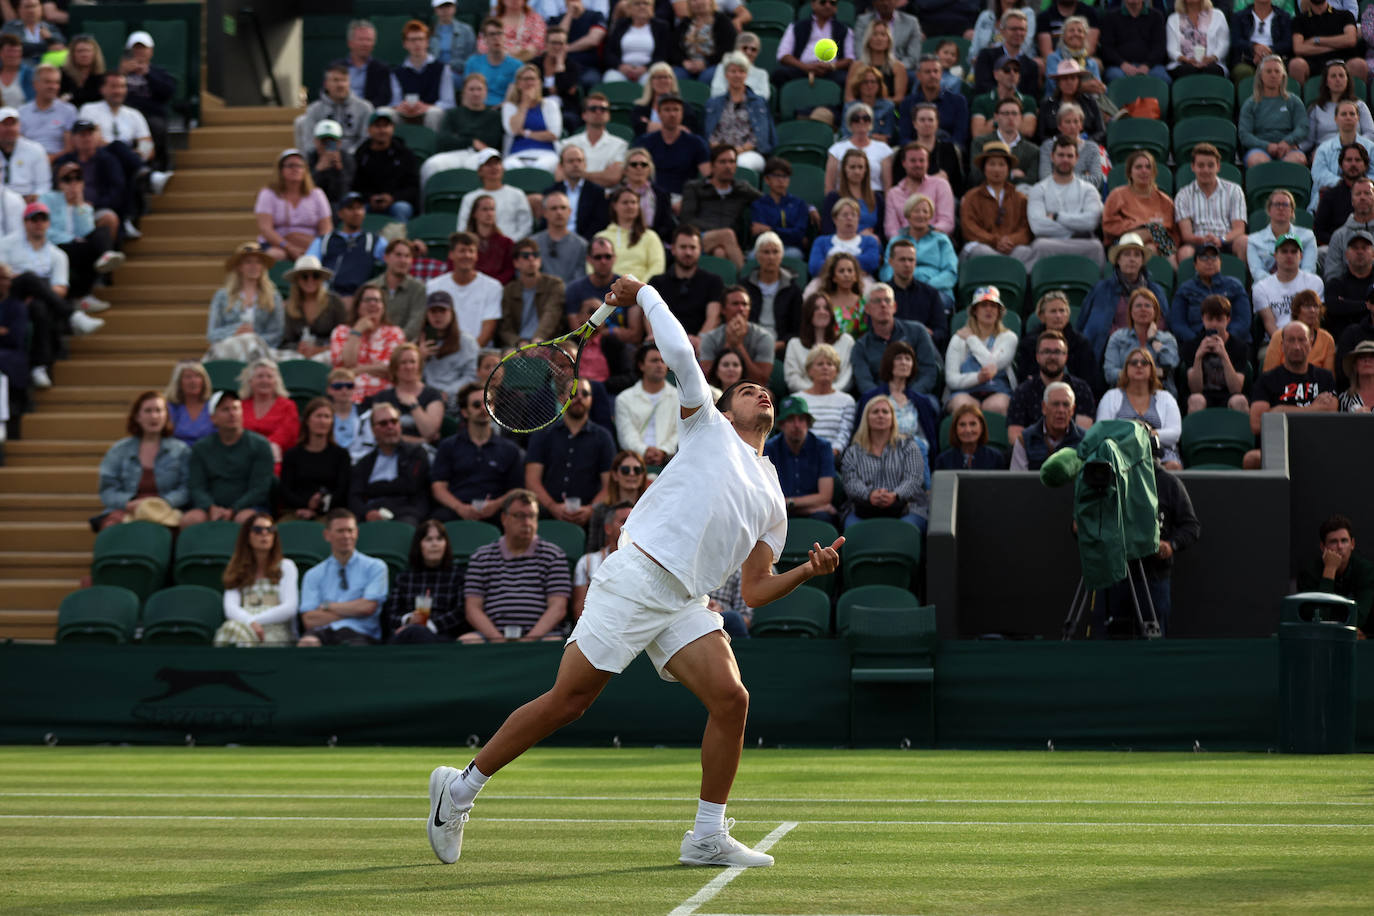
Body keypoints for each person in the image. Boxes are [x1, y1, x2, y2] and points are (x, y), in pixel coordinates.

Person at [425, 273, 841, 869]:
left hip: (687, 601)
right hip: (638, 576)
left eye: (764, 390)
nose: (760, 393)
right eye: (747, 389)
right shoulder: (707, 428)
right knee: (569, 701)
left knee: (732, 699)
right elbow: (676, 349)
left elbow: (754, 588)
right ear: (723, 404)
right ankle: (458, 789)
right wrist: (643, 292)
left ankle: (705, 836)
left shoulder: (774, 494)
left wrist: (805, 571)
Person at [458, 487, 572, 645]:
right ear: (504, 518)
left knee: (553, 642)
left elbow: (558, 607)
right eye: (519, 516)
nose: (527, 523)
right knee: (467, 642)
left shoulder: (553, 555)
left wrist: (529, 640)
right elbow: (472, 609)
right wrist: (497, 639)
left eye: (532, 516)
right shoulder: (481, 556)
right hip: (492, 636)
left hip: (541, 636)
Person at [1244, 320, 1340, 467]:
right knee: (1251, 459)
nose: (1296, 346)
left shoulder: (1324, 377)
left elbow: (1332, 411)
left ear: (1310, 343)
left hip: (1315, 444)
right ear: (1282, 345)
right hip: (1277, 447)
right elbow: (1256, 424)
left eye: (1302, 340)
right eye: (1291, 340)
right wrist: (1313, 409)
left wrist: (1280, 411)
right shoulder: (1267, 379)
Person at [95, 390, 191, 530]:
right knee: (111, 528)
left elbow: (187, 487)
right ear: (137, 416)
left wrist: (163, 503)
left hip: (166, 510)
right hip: (128, 510)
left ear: (166, 416)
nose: (154, 416)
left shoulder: (181, 450)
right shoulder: (119, 450)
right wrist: (128, 503)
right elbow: (107, 490)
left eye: (159, 410)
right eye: (148, 411)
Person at [430, 382, 523, 523]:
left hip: (497, 513)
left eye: (488, 402)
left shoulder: (510, 449)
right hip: (456, 511)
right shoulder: (448, 446)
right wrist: (460, 507)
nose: (484, 408)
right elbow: (438, 487)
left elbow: (516, 489)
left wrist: (496, 505)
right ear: (464, 412)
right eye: (476, 405)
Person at [296, 507, 390, 646]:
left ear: (357, 533)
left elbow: (368, 607)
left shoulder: (375, 567)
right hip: (323, 632)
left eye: (350, 530)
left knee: (350, 647)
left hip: (361, 634)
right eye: (340, 531)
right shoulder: (313, 574)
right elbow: (309, 620)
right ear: (327, 535)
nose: (346, 536)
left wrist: (327, 606)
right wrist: (354, 611)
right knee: (307, 643)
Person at [524, 381, 614, 524]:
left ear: (591, 400)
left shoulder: (603, 437)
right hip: (546, 517)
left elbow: (609, 484)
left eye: (585, 394)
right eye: (573, 393)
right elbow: (532, 480)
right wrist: (552, 507)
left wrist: (590, 509)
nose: (579, 397)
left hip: (589, 520)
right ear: (561, 398)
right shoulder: (542, 434)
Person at [182, 391, 275, 527]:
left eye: (236, 408)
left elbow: (259, 488)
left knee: (246, 520)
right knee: (190, 520)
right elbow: (196, 486)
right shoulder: (201, 448)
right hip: (210, 508)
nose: (232, 414)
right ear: (213, 418)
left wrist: (234, 509)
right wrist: (210, 507)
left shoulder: (260, 445)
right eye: (225, 409)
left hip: (249, 507)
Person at [840, 395, 927, 532]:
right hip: (862, 509)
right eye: (875, 412)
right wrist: (869, 495)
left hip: (907, 507)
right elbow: (850, 481)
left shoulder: (909, 446)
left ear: (892, 418)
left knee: (905, 530)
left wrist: (895, 495)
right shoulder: (853, 451)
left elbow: (914, 479)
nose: (880, 415)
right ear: (866, 418)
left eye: (885, 412)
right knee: (853, 530)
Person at [213, 515, 300, 647]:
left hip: (275, 627)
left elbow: (289, 608)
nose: (264, 534)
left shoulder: (286, 566)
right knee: (230, 630)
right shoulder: (236, 568)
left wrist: (254, 622)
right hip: (242, 625)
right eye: (257, 530)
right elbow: (230, 608)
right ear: (247, 536)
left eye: (269, 529)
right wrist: (249, 623)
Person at [382, 519, 468, 643]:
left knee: (417, 632)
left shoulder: (458, 576)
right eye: (428, 539)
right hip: (406, 634)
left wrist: (429, 625)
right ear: (419, 544)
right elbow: (390, 614)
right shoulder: (404, 578)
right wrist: (408, 620)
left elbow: (460, 612)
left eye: (439, 539)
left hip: (443, 637)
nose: (435, 544)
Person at [1096, 348, 1184, 468]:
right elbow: (1102, 430)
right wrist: (1131, 437)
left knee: (1173, 466)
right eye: (1133, 363)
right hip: (1121, 451)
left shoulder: (1166, 397)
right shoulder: (1111, 396)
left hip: (1160, 452)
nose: (1139, 365)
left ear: (1152, 369)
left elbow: (1174, 434)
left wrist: (1144, 435)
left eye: (1144, 363)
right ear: (1126, 369)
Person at [1006, 328, 1096, 445]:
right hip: (1032, 456)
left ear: (1066, 357)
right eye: (1047, 352)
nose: (1052, 357)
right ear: (1037, 357)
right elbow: (1014, 436)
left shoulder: (1081, 389)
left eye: (1058, 352)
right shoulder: (1023, 391)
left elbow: (1083, 436)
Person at [1028, 135, 1105, 268]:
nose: (1065, 159)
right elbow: (1038, 226)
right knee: (1040, 245)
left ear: (1077, 159)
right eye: (1061, 155)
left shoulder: (1088, 189)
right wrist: (1076, 229)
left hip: (1083, 243)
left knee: (1096, 246)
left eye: (1069, 156)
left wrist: (1057, 217)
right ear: (1052, 157)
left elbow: (1091, 222)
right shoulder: (1038, 189)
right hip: (1050, 243)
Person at [348, 402, 431, 524]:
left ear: (400, 426)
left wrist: (373, 488)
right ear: (373, 430)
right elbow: (354, 496)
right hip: (371, 513)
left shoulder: (416, 453)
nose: (390, 426)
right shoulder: (364, 463)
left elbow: (411, 486)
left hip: (406, 512)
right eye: (383, 423)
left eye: (394, 421)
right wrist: (366, 512)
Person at [683, 144, 763, 270]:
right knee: (726, 234)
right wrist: (718, 232)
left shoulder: (741, 190)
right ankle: (745, 279)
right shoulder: (695, 188)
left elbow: (765, 202)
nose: (728, 166)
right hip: (696, 239)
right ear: (712, 166)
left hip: (727, 244)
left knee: (720, 253)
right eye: (723, 162)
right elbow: (687, 220)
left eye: (732, 162)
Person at [762, 395, 838, 526]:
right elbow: (769, 500)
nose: (797, 425)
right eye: (791, 419)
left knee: (823, 518)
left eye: (801, 419)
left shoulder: (823, 447)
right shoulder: (769, 448)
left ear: (808, 423)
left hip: (812, 515)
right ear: (781, 424)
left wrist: (789, 504)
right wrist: (809, 507)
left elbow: (825, 497)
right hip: (779, 514)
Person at [960, 141, 1035, 270]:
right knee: (982, 252)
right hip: (983, 246)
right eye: (992, 164)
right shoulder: (971, 197)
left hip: (1012, 247)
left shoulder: (1020, 198)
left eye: (1001, 164)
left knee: (1026, 253)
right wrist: (995, 240)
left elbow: (1026, 229)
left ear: (1008, 168)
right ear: (984, 168)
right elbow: (969, 227)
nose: (997, 169)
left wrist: (1011, 240)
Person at [856, 339, 940, 452]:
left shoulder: (922, 402)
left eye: (908, 359)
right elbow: (861, 437)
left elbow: (927, 442)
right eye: (898, 358)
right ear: (889, 362)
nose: (904, 362)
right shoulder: (870, 398)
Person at [205, 243, 284, 363]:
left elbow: (276, 334)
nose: (254, 266)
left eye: (258, 262)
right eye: (248, 262)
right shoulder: (222, 296)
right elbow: (212, 334)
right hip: (229, 349)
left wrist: (254, 338)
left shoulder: (274, 296)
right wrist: (236, 331)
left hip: (261, 352)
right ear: (239, 267)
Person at [946, 287, 1018, 416]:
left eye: (993, 306)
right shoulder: (958, 339)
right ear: (975, 310)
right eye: (983, 305)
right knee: (964, 406)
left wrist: (971, 339)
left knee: (997, 406)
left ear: (999, 311)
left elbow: (991, 364)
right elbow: (951, 379)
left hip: (998, 391)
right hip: (965, 392)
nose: (989, 309)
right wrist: (978, 378)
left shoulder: (1009, 337)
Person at [1297, 514, 1374, 634]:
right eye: (1333, 542)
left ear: (1352, 544)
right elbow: (1317, 619)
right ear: (1323, 547)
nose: (1340, 547)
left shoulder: (1365, 571)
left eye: (1344, 541)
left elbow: (1360, 618)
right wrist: (1330, 570)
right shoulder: (1309, 573)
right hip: (1320, 641)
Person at [329, 284, 406, 404]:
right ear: (358, 305)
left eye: (377, 300)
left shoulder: (394, 333)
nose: (373, 304)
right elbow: (345, 363)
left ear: (383, 307)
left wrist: (355, 370)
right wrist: (357, 331)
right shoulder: (341, 331)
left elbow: (391, 368)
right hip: (349, 397)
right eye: (367, 300)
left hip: (384, 398)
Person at [1169, 243, 1254, 350]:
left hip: (1230, 344)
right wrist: (1198, 341)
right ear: (1195, 264)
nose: (1209, 261)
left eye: (1214, 257)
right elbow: (1178, 324)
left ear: (1220, 262)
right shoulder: (1185, 289)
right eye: (1204, 257)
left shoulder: (1234, 286)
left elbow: (1243, 321)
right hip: (1195, 344)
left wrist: (1225, 339)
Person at [426, 231, 502, 347]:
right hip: (443, 351)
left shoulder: (493, 287)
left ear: (477, 255)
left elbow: (489, 328)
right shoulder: (434, 286)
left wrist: (469, 354)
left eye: (471, 251)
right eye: (462, 251)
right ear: (451, 255)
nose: (467, 255)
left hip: (479, 353)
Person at [279, 396, 350, 521]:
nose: (322, 421)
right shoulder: (292, 455)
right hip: (296, 510)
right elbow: (285, 490)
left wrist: (319, 505)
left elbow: (341, 490)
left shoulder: (341, 455)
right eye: (318, 416)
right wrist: (305, 504)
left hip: (330, 513)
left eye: (327, 417)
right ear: (307, 420)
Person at [650, 224, 724, 343]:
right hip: (663, 344)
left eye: (693, 247)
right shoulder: (657, 282)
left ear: (700, 250)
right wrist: (656, 338)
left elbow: (714, 317)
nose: (688, 252)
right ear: (673, 249)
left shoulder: (713, 282)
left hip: (698, 346)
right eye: (683, 247)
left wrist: (699, 339)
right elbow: (649, 315)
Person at [255, 148, 332, 263]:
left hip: (309, 243)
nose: (295, 169)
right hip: (277, 244)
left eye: (300, 166)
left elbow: (326, 228)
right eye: (290, 165)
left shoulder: (317, 194)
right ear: (280, 170)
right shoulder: (268, 194)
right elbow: (265, 228)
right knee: (276, 255)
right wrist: (289, 247)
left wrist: (314, 247)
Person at [422, 73, 503, 182]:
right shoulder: (453, 113)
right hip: (454, 154)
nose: (476, 93)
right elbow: (443, 140)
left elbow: (491, 141)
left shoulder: (494, 116)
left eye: (479, 89)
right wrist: (471, 141)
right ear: (464, 92)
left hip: (480, 157)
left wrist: (459, 136)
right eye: (471, 89)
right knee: (431, 165)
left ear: (486, 92)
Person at [1103, 151, 1178, 264]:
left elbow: (1173, 233)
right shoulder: (1117, 195)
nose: (1144, 171)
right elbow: (1109, 226)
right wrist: (1140, 228)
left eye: (1148, 167)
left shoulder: (1165, 201)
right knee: (1154, 230)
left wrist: (1148, 232)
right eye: (1138, 167)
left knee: (1151, 247)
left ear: (1154, 172)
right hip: (1122, 244)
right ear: (1130, 172)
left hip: (1156, 247)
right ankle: (1176, 272)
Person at [616, 342, 681, 469]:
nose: (660, 365)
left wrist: (664, 451)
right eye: (654, 360)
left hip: (670, 463)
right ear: (641, 365)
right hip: (635, 465)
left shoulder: (679, 398)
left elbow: (680, 431)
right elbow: (626, 435)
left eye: (663, 361)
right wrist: (644, 451)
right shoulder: (624, 398)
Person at [1182, 294, 1251, 415]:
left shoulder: (1240, 347)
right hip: (1204, 396)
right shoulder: (1191, 346)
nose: (1214, 324)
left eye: (1219, 319)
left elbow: (1236, 389)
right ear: (1203, 319)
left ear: (1228, 320)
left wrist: (1224, 355)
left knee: (1240, 401)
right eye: (1210, 319)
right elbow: (1195, 389)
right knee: (1195, 400)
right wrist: (1198, 357)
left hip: (1228, 395)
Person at [630, 93, 709, 197]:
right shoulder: (645, 141)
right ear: (659, 113)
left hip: (684, 197)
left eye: (676, 110)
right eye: (667, 110)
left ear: (682, 113)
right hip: (651, 197)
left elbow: (708, 176)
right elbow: (632, 173)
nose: (672, 114)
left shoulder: (695, 143)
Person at [1239, 54, 1309, 168]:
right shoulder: (1251, 103)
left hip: (1288, 147)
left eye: (1277, 71)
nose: (1273, 75)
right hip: (1259, 148)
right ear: (1261, 75)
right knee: (1258, 162)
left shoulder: (1294, 101)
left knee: (1298, 160)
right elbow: (1244, 134)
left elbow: (1303, 127)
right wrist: (1267, 146)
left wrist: (1287, 142)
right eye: (1269, 71)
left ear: (1283, 76)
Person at [351, 108, 420, 223]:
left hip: (396, 201)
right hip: (368, 202)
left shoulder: (404, 153)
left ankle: (400, 240)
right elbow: (354, 185)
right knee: (355, 208)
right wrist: (369, 198)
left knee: (401, 208)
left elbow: (413, 187)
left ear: (392, 129)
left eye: (386, 126)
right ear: (369, 130)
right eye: (377, 126)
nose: (382, 130)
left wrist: (392, 198)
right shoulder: (361, 154)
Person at [1254, 234, 1326, 343]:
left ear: (1301, 256)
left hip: (1309, 340)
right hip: (1276, 341)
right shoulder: (1261, 287)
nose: (1289, 255)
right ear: (1275, 255)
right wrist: (1287, 346)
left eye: (1293, 252)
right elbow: (1269, 323)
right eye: (1284, 251)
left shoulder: (1315, 282)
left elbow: (1315, 320)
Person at [1016, 289, 1097, 386]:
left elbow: (1090, 380)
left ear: (1068, 315)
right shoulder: (1029, 344)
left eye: (1062, 311)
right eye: (1053, 311)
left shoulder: (1081, 343)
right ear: (1042, 316)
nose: (1058, 316)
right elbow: (1024, 377)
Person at [370, 343, 446, 446]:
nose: (409, 367)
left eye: (412, 362)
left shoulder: (432, 395)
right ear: (395, 367)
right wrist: (420, 441)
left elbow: (429, 432)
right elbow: (380, 435)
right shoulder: (382, 397)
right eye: (403, 362)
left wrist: (414, 406)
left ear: (419, 365)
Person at [572, 500, 634, 619]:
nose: (630, 525)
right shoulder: (587, 562)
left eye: (634, 521)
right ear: (608, 528)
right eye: (624, 521)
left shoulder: (647, 562)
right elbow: (579, 610)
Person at [741, 230, 803, 349]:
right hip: (750, 344)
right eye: (766, 252)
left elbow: (796, 329)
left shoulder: (793, 290)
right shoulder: (745, 287)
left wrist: (779, 345)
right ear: (757, 256)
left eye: (775, 252)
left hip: (782, 346)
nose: (771, 257)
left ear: (781, 256)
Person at [784, 292, 856, 395]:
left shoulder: (846, 342)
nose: (822, 312)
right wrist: (813, 392)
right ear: (808, 313)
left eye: (826, 308)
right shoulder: (794, 344)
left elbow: (847, 377)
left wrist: (829, 392)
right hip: (805, 400)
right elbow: (793, 379)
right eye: (816, 308)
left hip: (837, 398)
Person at [392, 20, 456, 133]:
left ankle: (431, 148)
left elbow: (449, 102)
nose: (417, 44)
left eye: (421, 39)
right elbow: (394, 102)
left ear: (427, 42)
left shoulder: (442, 69)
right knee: (387, 113)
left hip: (430, 112)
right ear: (405, 44)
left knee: (434, 113)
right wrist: (401, 107)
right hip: (406, 113)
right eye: (412, 40)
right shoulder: (397, 72)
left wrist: (426, 107)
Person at [774, 0, 854, 90]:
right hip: (801, 68)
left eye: (832, 3)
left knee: (847, 79)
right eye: (823, 2)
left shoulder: (844, 29)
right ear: (813, 4)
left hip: (831, 70)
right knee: (780, 74)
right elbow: (783, 55)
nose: (828, 6)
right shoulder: (796, 26)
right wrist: (805, 67)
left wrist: (831, 66)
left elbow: (849, 59)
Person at [498, 238, 564, 346]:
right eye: (525, 256)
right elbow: (505, 328)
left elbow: (552, 314)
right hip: (517, 346)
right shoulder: (509, 290)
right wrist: (519, 342)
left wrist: (538, 339)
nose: (531, 259)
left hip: (546, 343)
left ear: (540, 260)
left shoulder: (554, 285)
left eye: (536, 255)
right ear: (515, 263)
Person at [297, 63, 373, 155]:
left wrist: (347, 156)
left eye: (344, 80)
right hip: (322, 157)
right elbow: (309, 142)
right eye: (335, 80)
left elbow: (366, 139)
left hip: (355, 158)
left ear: (349, 83)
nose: (340, 85)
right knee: (300, 121)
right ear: (326, 84)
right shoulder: (314, 109)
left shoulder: (364, 108)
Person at [968, 95, 1039, 192]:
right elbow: (976, 177)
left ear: (1021, 118)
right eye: (1006, 113)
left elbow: (1031, 181)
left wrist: (994, 175)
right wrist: (1012, 175)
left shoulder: (1032, 150)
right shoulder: (980, 143)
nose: (1010, 117)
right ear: (996, 117)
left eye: (1014, 113)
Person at [1010, 380, 1085, 471]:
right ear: (1044, 407)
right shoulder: (1025, 440)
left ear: (1072, 410)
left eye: (1066, 405)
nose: (1061, 410)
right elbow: (1018, 481)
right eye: (1055, 404)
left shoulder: (1085, 441)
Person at [595, 185, 664, 284]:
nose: (630, 206)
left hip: (642, 293)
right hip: (609, 293)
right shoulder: (601, 237)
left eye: (633, 202)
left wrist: (639, 289)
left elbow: (657, 267)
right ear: (614, 206)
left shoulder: (650, 236)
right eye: (625, 202)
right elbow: (592, 267)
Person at [238, 359, 298, 472]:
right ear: (250, 381)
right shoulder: (240, 405)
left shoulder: (288, 406)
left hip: (276, 460)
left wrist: (261, 449)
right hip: (243, 457)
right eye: (260, 376)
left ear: (276, 381)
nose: (265, 380)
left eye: (269, 376)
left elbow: (286, 435)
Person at [749, 158, 813, 262]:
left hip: (791, 249)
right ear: (767, 179)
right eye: (776, 176)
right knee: (753, 257)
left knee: (793, 256)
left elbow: (799, 234)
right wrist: (788, 234)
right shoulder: (758, 205)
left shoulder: (799, 204)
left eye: (785, 176)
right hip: (765, 249)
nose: (781, 180)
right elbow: (760, 235)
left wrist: (770, 229)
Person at [799, 343, 856, 457]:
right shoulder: (798, 399)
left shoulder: (847, 401)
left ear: (836, 371)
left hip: (833, 459)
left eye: (830, 364)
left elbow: (844, 434)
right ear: (809, 370)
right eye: (820, 364)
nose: (825, 367)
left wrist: (831, 453)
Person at [1291, 0, 1366, 87]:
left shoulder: (1345, 15)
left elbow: (1351, 40)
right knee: (1296, 64)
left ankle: (1354, 100)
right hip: (1313, 63)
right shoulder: (1299, 20)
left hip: (1342, 59)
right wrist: (1336, 45)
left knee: (1359, 65)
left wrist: (1317, 40)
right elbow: (1298, 48)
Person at [500, 64, 560, 173]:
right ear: (518, 84)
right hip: (517, 153)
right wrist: (525, 104)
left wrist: (526, 133)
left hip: (546, 153)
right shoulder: (509, 106)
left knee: (541, 168)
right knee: (510, 167)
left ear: (539, 82)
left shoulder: (550, 104)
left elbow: (554, 134)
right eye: (526, 79)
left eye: (533, 79)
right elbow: (513, 130)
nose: (529, 83)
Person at [561, 93, 628, 190]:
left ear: (608, 115)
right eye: (593, 109)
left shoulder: (620, 145)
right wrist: (603, 174)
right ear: (584, 115)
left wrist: (577, 175)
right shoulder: (567, 143)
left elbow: (613, 178)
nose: (598, 112)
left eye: (603, 109)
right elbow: (560, 176)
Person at [1249, 190, 1319, 280]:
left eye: (1285, 205)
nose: (1281, 208)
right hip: (1266, 289)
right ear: (1269, 210)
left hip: (1300, 286)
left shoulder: (1308, 237)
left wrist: (1291, 285)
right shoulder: (1254, 240)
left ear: (1292, 211)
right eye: (1277, 204)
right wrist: (1278, 286)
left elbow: (1308, 269)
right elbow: (1257, 272)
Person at [1306, 60, 1373, 155]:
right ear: (1326, 82)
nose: (1338, 79)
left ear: (1347, 80)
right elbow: (1309, 140)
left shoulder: (1360, 105)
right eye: (1333, 76)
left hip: (1355, 151)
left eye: (1341, 76)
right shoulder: (1316, 108)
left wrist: (1354, 145)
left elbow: (1370, 133)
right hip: (1324, 151)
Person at [585, 450, 646, 553]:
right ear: (615, 475)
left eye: (637, 470)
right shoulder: (600, 510)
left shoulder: (650, 509)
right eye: (625, 470)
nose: (631, 474)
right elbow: (593, 549)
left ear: (643, 475)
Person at [827, 103, 893, 197]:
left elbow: (887, 186)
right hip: (844, 198)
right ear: (849, 123)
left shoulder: (883, 149)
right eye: (856, 119)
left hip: (874, 197)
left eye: (866, 118)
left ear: (871, 122)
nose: (861, 121)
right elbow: (829, 185)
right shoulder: (836, 149)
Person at [1265, 288, 1336, 372]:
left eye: (1316, 306)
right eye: (1307, 306)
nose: (1312, 310)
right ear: (1296, 310)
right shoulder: (1279, 336)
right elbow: (1269, 373)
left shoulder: (1327, 339)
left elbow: (1329, 379)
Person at [544, 146, 607, 241]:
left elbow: (599, 223)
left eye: (579, 160)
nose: (576, 164)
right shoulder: (551, 192)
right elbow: (545, 222)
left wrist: (581, 243)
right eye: (571, 161)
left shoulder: (597, 192)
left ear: (585, 165)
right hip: (555, 242)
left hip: (586, 243)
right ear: (561, 166)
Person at [601, 0, 672, 85]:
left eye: (646, 3)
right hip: (621, 70)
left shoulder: (661, 27)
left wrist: (646, 68)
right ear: (630, 8)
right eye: (637, 3)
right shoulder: (620, 25)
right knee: (611, 80)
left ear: (652, 7)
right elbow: (609, 52)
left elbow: (663, 54)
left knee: (652, 81)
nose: (642, 6)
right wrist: (620, 66)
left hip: (650, 70)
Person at [810, 197, 882, 279]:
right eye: (845, 215)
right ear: (835, 219)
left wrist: (831, 263)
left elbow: (871, 263)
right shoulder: (821, 241)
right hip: (826, 281)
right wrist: (857, 267)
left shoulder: (869, 241)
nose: (849, 218)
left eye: (853, 215)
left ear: (858, 219)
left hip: (861, 281)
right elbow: (814, 267)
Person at [1100, 0, 1170, 83]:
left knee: (1163, 78)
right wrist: (1123, 64)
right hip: (1119, 67)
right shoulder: (1110, 17)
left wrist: (1147, 65)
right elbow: (1107, 48)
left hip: (1151, 66)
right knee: (1115, 77)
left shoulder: (1157, 16)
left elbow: (1160, 47)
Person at [1314, 143, 1370, 245]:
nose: (1353, 164)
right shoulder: (1330, 196)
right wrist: (1342, 243)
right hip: (1337, 248)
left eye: (1357, 160)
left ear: (1365, 165)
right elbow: (1319, 231)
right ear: (1341, 165)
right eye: (1349, 160)